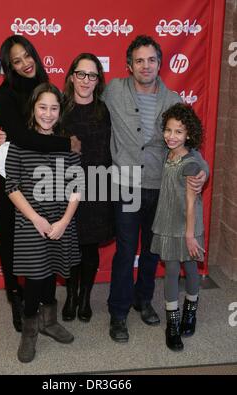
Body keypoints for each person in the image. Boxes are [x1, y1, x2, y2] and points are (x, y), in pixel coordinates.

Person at [102, 35, 209, 342]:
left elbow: (192, 144)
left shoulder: (173, 98)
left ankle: (143, 300)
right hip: (126, 186)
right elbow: (81, 106)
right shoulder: (112, 91)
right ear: (128, 65)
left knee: (152, 250)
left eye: (151, 60)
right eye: (139, 60)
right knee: (125, 251)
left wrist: (202, 171)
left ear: (159, 64)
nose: (145, 66)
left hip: (161, 189)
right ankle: (118, 313)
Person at [0, 35, 80, 333]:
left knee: (44, 240)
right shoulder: (5, 95)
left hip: (42, 177)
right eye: (17, 60)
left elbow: (45, 129)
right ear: (9, 66)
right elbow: (24, 138)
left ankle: (42, 301)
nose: (25, 63)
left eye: (28, 55)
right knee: (14, 240)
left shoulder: (45, 84)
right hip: (11, 177)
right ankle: (15, 296)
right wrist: (67, 143)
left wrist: (63, 144)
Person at [5, 82, 82, 363]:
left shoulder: (68, 144)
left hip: (61, 221)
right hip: (31, 222)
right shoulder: (20, 143)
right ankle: (30, 331)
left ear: (60, 112)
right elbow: (11, 186)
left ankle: (49, 322)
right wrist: (36, 218)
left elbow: (77, 187)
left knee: (52, 272)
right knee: (36, 277)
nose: (48, 114)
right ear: (33, 109)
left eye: (53, 108)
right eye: (42, 107)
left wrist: (63, 222)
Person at [61, 53, 114, 323]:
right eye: (80, 74)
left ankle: (84, 298)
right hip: (66, 188)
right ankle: (70, 295)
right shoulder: (59, 108)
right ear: (71, 76)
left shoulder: (105, 110)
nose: (85, 80)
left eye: (92, 75)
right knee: (71, 245)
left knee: (90, 248)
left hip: (98, 188)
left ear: (98, 80)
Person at [151, 103, 205, 351]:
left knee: (191, 270)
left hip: (187, 227)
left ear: (189, 135)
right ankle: (172, 323)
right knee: (171, 272)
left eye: (179, 132)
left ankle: (190, 312)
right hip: (168, 223)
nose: (172, 136)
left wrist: (190, 235)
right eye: (168, 130)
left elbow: (191, 204)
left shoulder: (191, 163)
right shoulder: (169, 154)